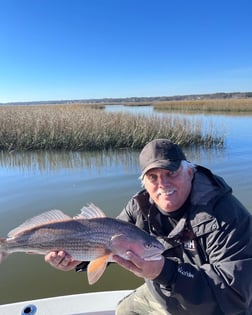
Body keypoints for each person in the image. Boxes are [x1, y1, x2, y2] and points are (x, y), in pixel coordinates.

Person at [45, 138, 252, 315]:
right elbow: (106, 242)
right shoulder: (140, 206)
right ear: (144, 181)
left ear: (190, 172)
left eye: (171, 173)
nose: (163, 184)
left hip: (215, 308)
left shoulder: (229, 217)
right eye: (153, 177)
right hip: (164, 294)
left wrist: (165, 272)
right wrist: (76, 258)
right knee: (125, 310)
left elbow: (234, 296)